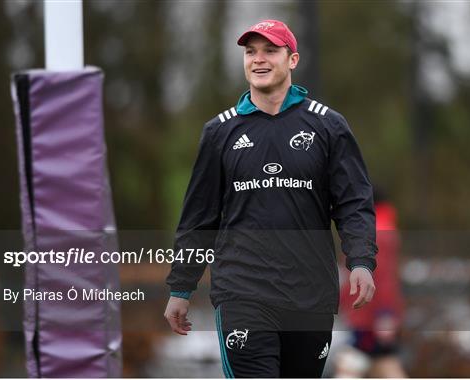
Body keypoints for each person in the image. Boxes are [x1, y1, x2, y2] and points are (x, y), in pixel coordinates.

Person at [164, 19, 377, 378]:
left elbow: (354, 203)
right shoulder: (220, 131)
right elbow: (199, 218)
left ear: (292, 60)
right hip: (242, 293)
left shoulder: (328, 126)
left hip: (310, 295)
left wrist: (361, 261)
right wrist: (182, 286)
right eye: (250, 52)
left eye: (270, 51)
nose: (258, 60)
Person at [336, 189, 407, 378]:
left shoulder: (374, 233)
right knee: (383, 362)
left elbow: (382, 278)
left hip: (368, 315)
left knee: (350, 367)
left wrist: (385, 314)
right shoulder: (383, 230)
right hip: (368, 313)